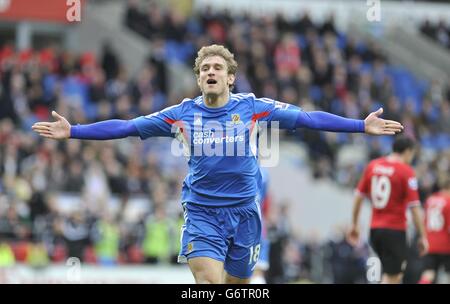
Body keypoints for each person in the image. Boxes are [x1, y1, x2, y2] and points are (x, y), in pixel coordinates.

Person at [32, 44, 403, 284]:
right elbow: (128, 127)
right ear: (198, 78)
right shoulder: (181, 114)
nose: (210, 72)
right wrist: (75, 131)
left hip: (245, 214)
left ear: (230, 77)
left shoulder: (253, 107)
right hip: (202, 215)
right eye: (204, 68)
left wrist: (360, 125)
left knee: (236, 287)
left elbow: (307, 119)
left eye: (217, 67)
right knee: (210, 286)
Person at [348, 136, 428, 284]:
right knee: (394, 277)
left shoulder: (373, 166)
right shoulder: (406, 171)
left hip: (374, 230)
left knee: (384, 274)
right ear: (408, 152)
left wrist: (354, 224)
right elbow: (415, 207)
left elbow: (358, 196)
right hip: (395, 230)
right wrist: (423, 235)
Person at [418, 178, 450, 284]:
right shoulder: (448, 201)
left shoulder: (430, 199)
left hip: (430, 243)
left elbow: (424, 221)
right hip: (446, 244)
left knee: (428, 273)